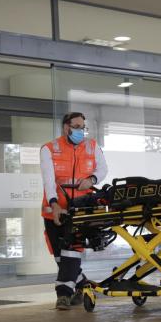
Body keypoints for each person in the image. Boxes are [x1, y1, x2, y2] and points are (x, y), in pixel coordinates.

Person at [41, 112, 108, 310]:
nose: (81, 131)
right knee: (60, 257)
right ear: (66, 127)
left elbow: (103, 169)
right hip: (55, 211)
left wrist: (92, 180)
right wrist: (54, 204)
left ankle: (63, 295)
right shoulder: (49, 148)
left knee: (71, 252)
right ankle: (83, 285)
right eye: (77, 127)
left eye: (83, 127)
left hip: (80, 211)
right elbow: (48, 180)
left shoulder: (92, 146)